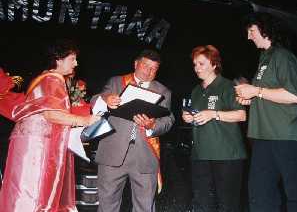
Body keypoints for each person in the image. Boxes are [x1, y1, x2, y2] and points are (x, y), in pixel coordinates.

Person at [0, 39, 100, 211]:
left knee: (24, 192)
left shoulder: (43, 78)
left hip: (29, 143)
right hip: (37, 146)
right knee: (35, 194)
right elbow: (51, 114)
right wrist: (85, 120)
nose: (76, 63)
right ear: (59, 59)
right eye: (72, 59)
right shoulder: (53, 79)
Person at [91, 49, 175, 212]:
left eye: (154, 69)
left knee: (145, 207)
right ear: (136, 64)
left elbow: (168, 120)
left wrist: (152, 126)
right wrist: (106, 100)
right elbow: (95, 100)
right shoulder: (116, 82)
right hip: (112, 154)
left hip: (145, 157)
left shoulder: (164, 91)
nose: (149, 71)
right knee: (107, 205)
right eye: (145, 66)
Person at [235, 13, 297, 212]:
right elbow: (268, 95)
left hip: (285, 137)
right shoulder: (265, 58)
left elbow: (295, 95)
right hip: (262, 137)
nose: (248, 36)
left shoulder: (283, 56)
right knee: (259, 193)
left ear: (265, 30)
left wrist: (256, 91)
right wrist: (250, 98)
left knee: (295, 193)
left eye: (251, 31)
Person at [182, 45, 247, 212]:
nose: (196, 68)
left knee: (228, 204)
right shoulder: (196, 90)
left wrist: (214, 114)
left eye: (201, 64)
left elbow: (241, 115)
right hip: (200, 155)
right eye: (195, 64)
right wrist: (189, 117)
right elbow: (198, 115)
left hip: (227, 155)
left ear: (214, 64)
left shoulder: (227, 86)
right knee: (202, 203)